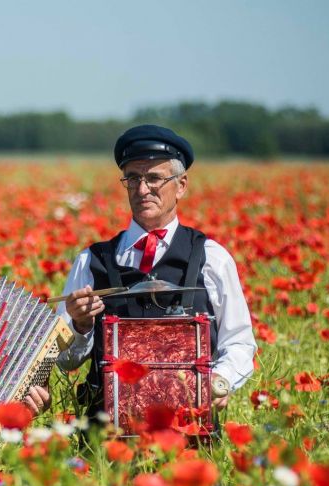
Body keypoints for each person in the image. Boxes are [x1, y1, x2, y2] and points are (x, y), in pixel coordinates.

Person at [50, 125, 257, 417]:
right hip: (106, 438)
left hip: (188, 433)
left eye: (154, 178)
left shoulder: (212, 259)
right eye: (133, 178)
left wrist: (218, 382)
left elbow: (238, 342)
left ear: (181, 185)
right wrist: (80, 325)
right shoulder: (91, 261)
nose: (142, 189)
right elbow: (66, 361)